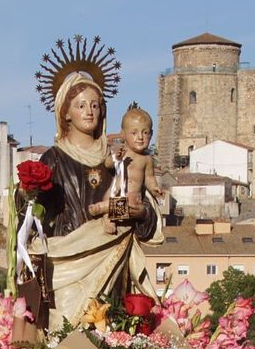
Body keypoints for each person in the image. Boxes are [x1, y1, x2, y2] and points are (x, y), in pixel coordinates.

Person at [36, 71, 164, 330]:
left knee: (108, 333)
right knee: (64, 335)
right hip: (68, 258)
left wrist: (140, 213)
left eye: (95, 105)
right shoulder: (53, 159)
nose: (89, 112)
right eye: (81, 105)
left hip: (112, 258)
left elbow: (144, 211)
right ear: (65, 112)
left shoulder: (120, 157)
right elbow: (35, 216)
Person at [97, 104, 165, 235]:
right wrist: (116, 157)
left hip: (134, 196)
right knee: (111, 197)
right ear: (123, 134)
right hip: (117, 191)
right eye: (134, 133)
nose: (140, 137)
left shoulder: (147, 159)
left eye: (145, 133)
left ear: (151, 134)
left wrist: (154, 189)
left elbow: (149, 178)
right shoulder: (122, 152)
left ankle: (102, 209)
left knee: (130, 206)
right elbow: (108, 164)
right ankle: (107, 216)